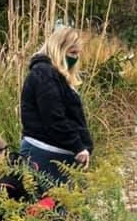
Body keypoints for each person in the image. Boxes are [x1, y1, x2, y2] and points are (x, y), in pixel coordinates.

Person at [19, 26, 93, 185]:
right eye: (72, 53)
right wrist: (77, 146)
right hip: (44, 154)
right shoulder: (44, 74)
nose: (76, 58)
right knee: (47, 207)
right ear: (59, 49)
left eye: (78, 53)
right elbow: (54, 118)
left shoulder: (54, 76)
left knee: (57, 207)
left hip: (55, 155)